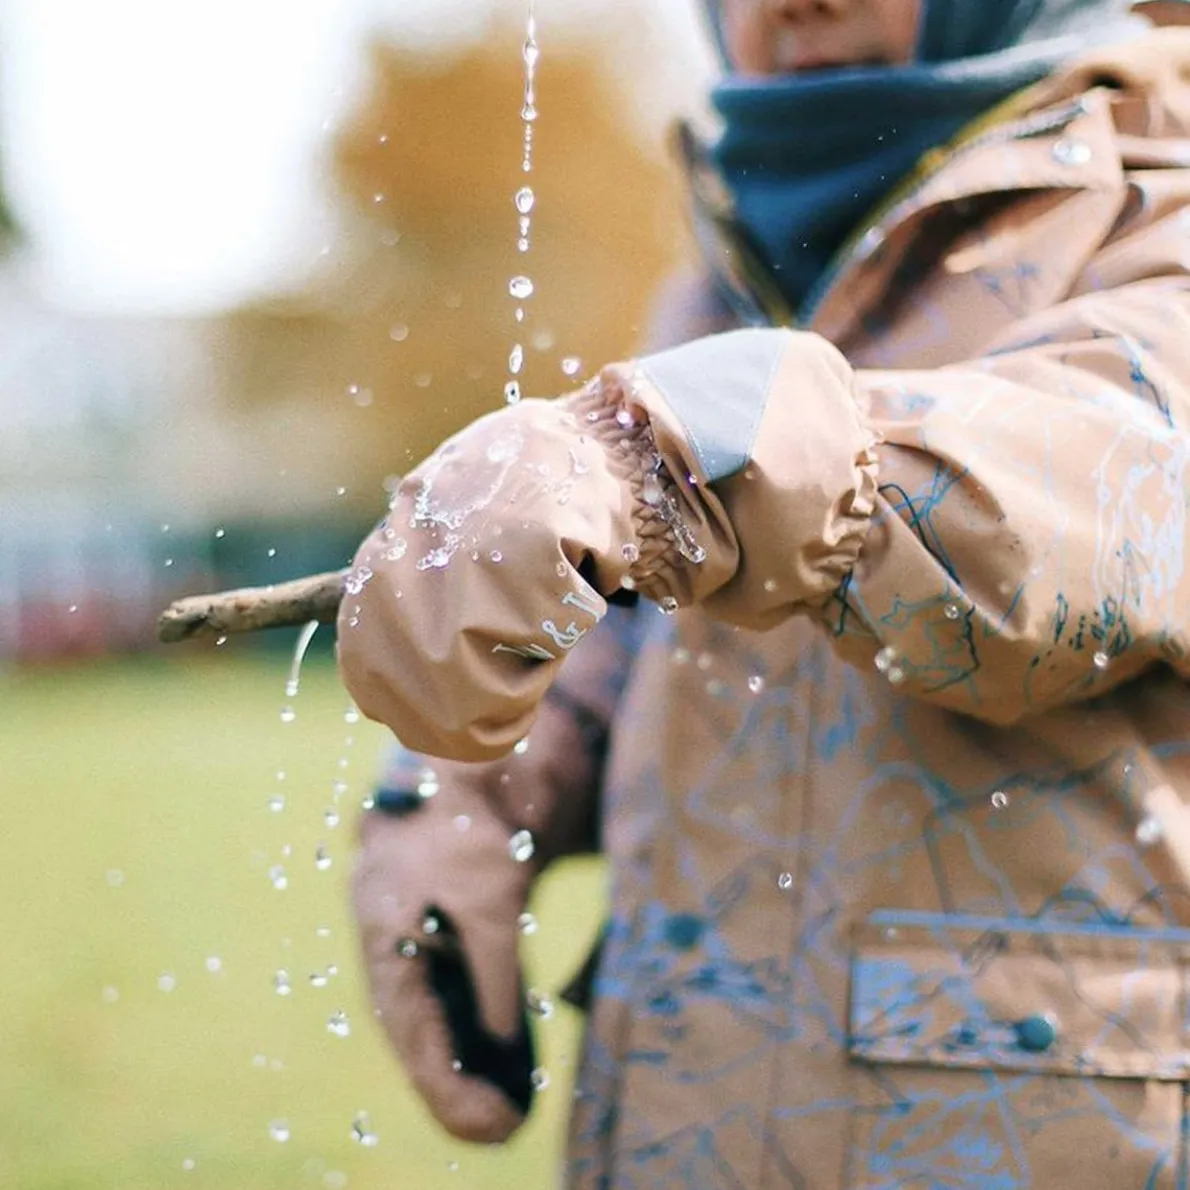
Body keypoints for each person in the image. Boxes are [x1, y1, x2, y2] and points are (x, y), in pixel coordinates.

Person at [341, 1, 1190, 1185]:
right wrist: (461, 798)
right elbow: (635, 644)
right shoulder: (732, 260)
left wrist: (659, 459)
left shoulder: (1163, 192)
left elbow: (1081, 498)